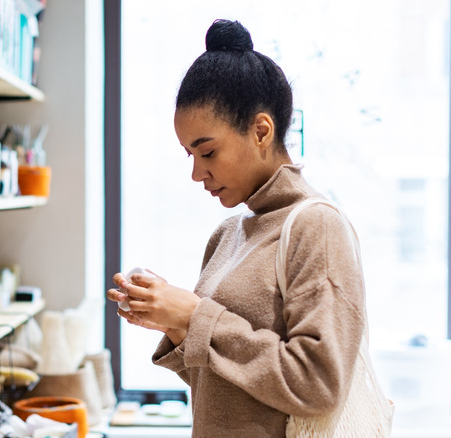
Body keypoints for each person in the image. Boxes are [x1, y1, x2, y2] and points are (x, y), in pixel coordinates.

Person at [106, 19, 367, 437]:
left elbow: (318, 385)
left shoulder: (316, 226)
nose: (196, 173)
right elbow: (227, 389)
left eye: (207, 151)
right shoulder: (229, 233)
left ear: (261, 130)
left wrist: (195, 316)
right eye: (188, 154)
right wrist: (172, 322)